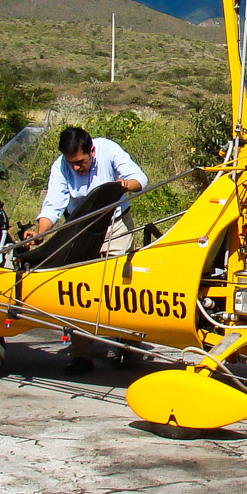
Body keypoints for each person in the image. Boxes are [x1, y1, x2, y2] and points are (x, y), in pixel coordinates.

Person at [30, 127, 147, 375]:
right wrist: (39, 234)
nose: (76, 168)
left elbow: (141, 180)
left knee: (119, 287)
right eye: (71, 163)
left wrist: (125, 184)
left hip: (115, 225)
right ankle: (82, 355)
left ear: (91, 151)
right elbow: (53, 206)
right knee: (78, 289)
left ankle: (129, 346)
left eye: (80, 162)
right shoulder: (60, 167)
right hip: (81, 228)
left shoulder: (109, 149)